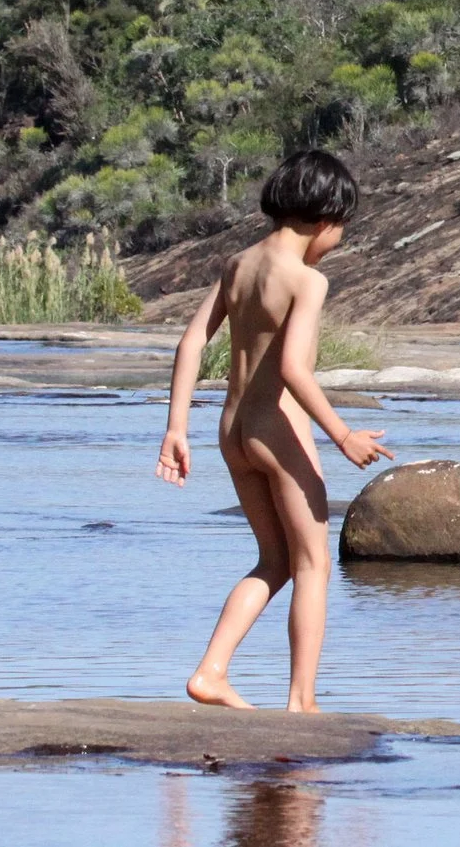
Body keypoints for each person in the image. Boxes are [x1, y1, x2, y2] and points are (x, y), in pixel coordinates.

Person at [155, 150, 393, 712]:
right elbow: (293, 370)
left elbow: (191, 344)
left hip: (232, 430)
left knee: (274, 560)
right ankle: (301, 700)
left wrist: (175, 428)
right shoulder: (307, 280)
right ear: (325, 217)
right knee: (313, 563)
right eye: (342, 229)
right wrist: (342, 434)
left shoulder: (237, 264)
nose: (339, 239)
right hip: (278, 426)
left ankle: (211, 672)